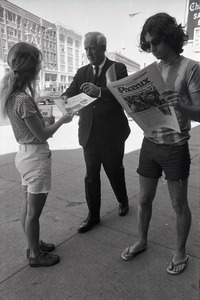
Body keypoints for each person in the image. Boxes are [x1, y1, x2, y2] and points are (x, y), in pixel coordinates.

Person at [121, 13, 200, 275]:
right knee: (144, 198)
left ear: (169, 37)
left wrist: (181, 105)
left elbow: (199, 111)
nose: (151, 49)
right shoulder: (152, 71)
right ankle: (142, 240)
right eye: (148, 44)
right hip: (149, 142)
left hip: (175, 145)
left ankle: (180, 250)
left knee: (179, 204)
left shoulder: (191, 68)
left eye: (155, 43)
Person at [0, 42, 73, 267]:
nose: (41, 68)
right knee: (33, 212)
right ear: (32, 68)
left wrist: (46, 121)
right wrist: (63, 120)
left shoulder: (13, 96)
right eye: (39, 64)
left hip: (24, 155)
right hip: (35, 158)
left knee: (27, 206)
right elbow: (41, 135)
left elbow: (31, 128)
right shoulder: (23, 98)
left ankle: (33, 245)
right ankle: (35, 255)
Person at [61, 32, 130, 233]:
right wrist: (65, 96)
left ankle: (123, 201)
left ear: (102, 48)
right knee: (91, 176)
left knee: (114, 171)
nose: (88, 52)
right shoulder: (82, 71)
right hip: (89, 133)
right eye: (86, 48)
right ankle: (93, 216)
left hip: (112, 134)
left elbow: (123, 94)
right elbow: (72, 90)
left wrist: (99, 91)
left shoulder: (117, 68)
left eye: (92, 48)